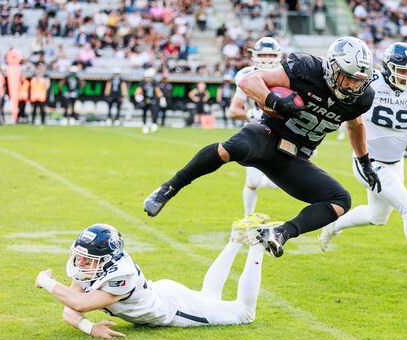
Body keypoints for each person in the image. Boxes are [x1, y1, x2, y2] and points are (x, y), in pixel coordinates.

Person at [143, 36, 381, 258]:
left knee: (340, 200)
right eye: (347, 77)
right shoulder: (306, 69)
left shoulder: (360, 98)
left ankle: (280, 233)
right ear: (331, 68)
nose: (352, 86)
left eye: (358, 80)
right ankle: (169, 188)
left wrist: (364, 161)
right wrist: (273, 100)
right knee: (233, 148)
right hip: (267, 136)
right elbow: (250, 81)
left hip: (294, 157)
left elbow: (356, 125)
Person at [318, 43, 407, 285]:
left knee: (376, 216)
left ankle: (333, 226)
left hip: (395, 163)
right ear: (388, 68)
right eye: (401, 71)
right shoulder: (370, 82)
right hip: (369, 162)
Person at [35, 218, 270, 338]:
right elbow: (70, 307)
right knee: (208, 296)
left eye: (89, 259)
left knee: (244, 314)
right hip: (163, 293)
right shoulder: (90, 266)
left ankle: (257, 244)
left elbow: (79, 304)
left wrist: (47, 282)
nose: (82, 263)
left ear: (108, 259)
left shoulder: (121, 274)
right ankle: (236, 239)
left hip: (172, 310)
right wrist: (90, 328)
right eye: (80, 257)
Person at [227, 37, 283, 217]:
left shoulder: (286, 75)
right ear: (255, 56)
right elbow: (233, 111)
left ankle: (264, 181)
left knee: (283, 181)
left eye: (270, 54)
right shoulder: (247, 75)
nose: (267, 58)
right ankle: (247, 218)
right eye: (263, 54)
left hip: (282, 134)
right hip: (256, 133)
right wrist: (251, 114)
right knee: (252, 181)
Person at [135, 68, 164, 133]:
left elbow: (158, 91)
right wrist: (138, 95)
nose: (148, 79)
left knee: (154, 112)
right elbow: (138, 90)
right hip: (145, 99)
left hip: (153, 100)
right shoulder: (142, 83)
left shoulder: (154, 83)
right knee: (144, 112)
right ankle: (144, 125)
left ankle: (154, 124)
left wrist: (162, 98)